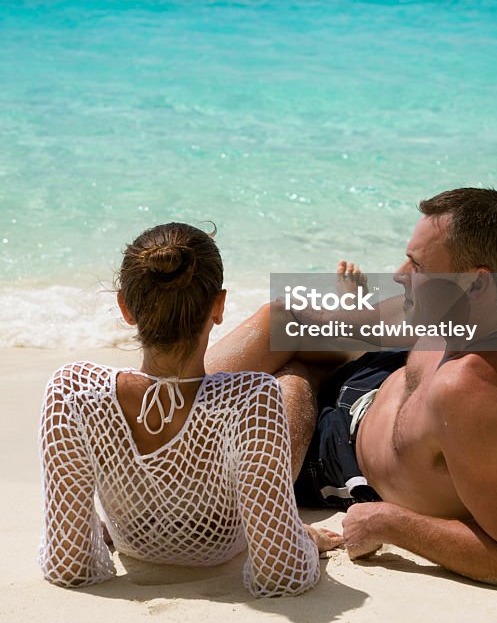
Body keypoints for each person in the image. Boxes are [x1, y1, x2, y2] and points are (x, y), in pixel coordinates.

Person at [207, 188, 497, 589]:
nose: (399, 272)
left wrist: (390, 523)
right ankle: (165, 399)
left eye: (418, 264)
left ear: (478, 284)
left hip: (342, 451)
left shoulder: (471, 393)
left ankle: (160, 418)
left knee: (292, 379)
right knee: (284, 317)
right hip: (388, 376)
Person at [39, 223, 341, 597]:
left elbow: (68, 567)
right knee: (295, 376)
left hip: (135, 537)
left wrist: (93, 529)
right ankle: (349, 344)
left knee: (280, 347)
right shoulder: (254, 397)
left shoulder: (73, 391)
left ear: (125, 307)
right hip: (223, 535)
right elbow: (282, 572)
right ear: (219, 306)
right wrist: (300, 537)